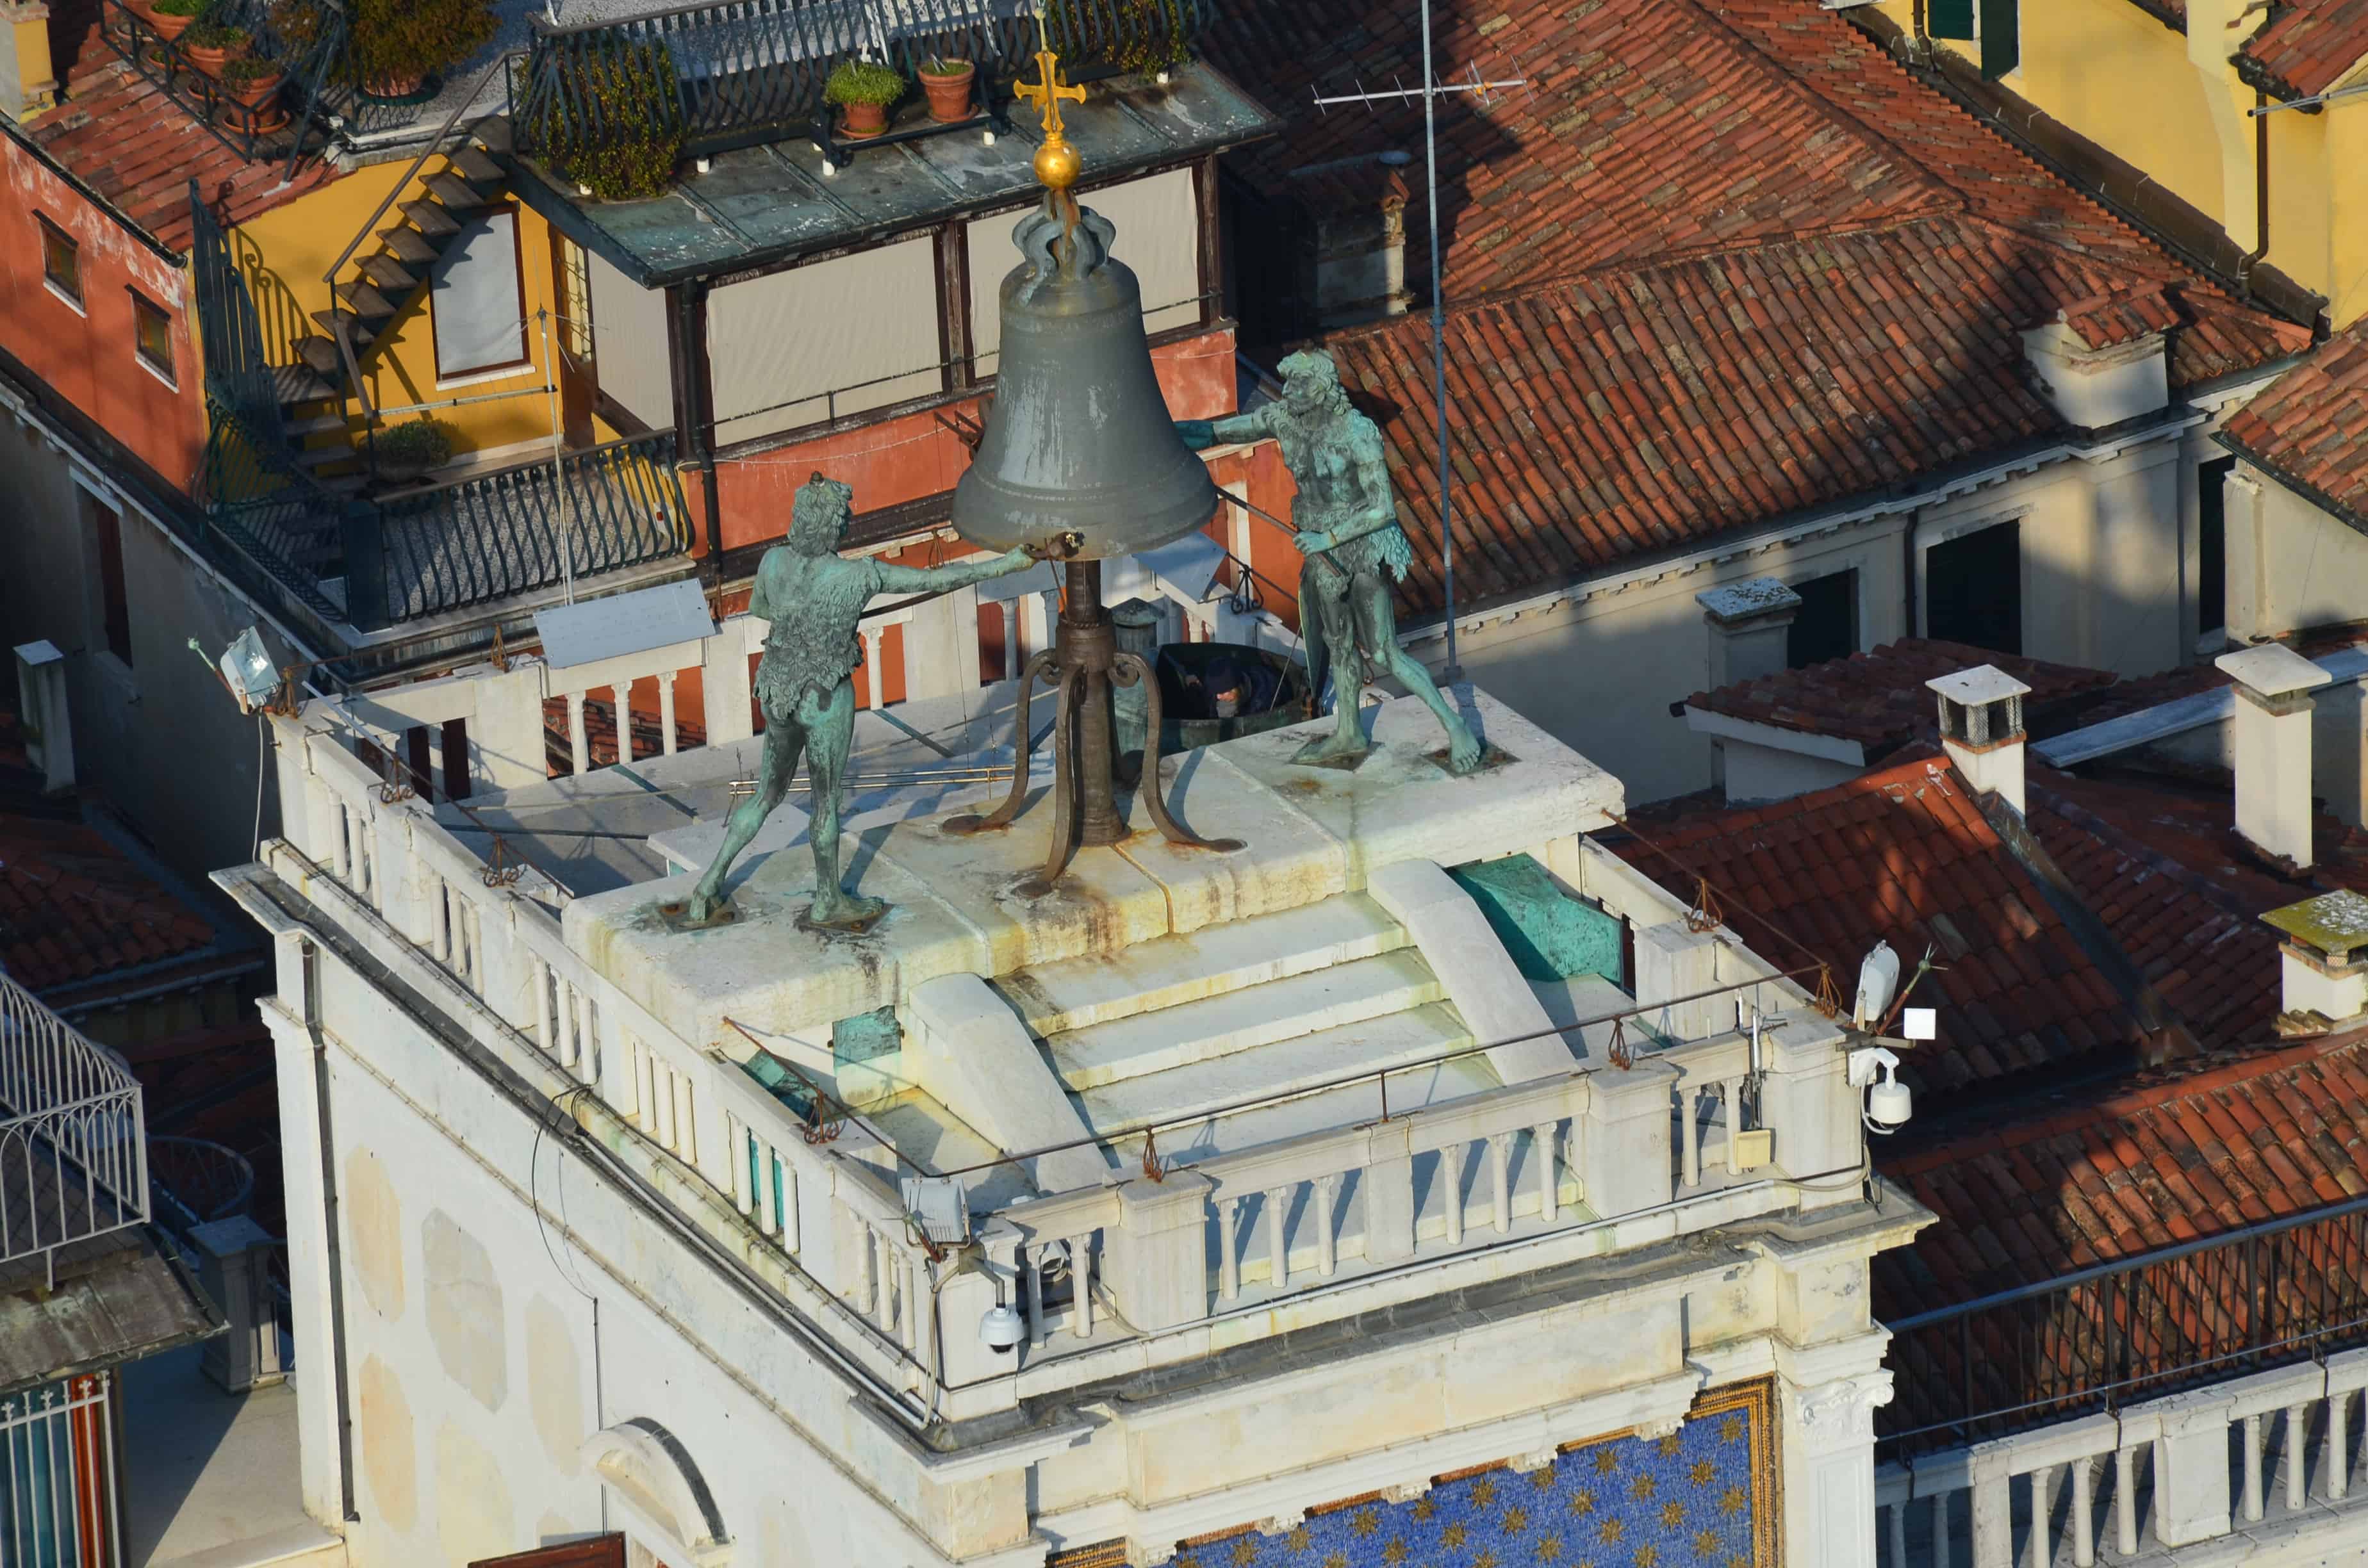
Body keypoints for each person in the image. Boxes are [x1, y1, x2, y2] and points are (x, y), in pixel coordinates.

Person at [682, 474, 1052, 929]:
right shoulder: (861, 575)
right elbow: (941, 577)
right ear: (834, 528)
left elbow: (766, 612)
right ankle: (827, 901)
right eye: (845, 521)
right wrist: (1009, 563)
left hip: (777, 689)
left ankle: (707, 886)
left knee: (765, 795)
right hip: (824, 695)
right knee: (826, 803)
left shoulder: (773, 562)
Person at [1179, 350, 1483, 772]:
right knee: (1339, 646)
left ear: (1324, 388)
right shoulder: (1283, 419)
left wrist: (1330, 536)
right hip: (1319, 547)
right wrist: (1164, 436)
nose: (1289, 393)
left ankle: (1455, 727)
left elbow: (1383, 508)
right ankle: (1349, 732)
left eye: (1299, 385)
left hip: (1360, 544)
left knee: (1384, 652)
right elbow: (1218, 433)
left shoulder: (1358, 432)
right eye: (1288, 384)